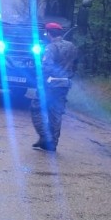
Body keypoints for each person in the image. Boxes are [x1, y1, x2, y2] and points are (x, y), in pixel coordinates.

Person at [31, 22, 78, 152]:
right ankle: (53, 144)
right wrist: (67, 76)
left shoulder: (50, 48)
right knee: (56, 113)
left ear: (49, 33)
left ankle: (45, 137)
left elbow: (47, 67)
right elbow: (75, 65)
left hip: (51, 84)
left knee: (36, 107)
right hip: (65, 84)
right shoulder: (71, 46)